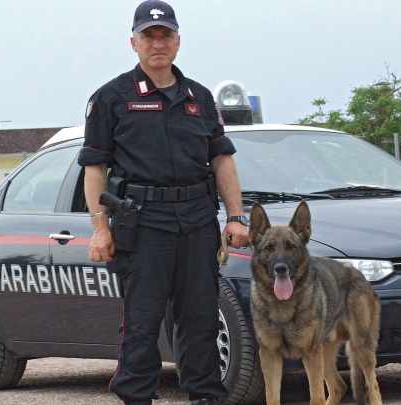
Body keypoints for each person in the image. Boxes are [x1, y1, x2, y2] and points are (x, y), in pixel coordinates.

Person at [77, 1, 249, 404]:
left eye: (166, 35)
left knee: (201, 320)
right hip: (144, 225)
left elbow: (222, 158)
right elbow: (94, 168)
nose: (158, 43)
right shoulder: (110, 98)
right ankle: (137, 398)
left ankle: (205, 396)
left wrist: (236, 217)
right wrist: (100, 228)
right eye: (149, 36)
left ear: (177, 41)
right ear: (133, 42)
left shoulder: (200, 97)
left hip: (196, 221)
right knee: (141, 323)